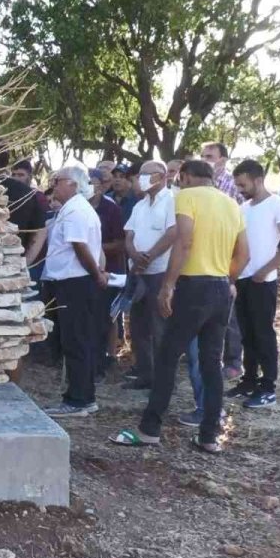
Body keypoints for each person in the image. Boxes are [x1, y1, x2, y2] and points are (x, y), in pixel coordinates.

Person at [110, 160, 248, 453]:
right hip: (221, 286)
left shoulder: (185, 197)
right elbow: (244, 254)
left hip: (192, 285)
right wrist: (227, 279)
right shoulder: (232, 204)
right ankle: (209, 435)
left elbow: (184, 244)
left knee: (167, 356)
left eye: (179, 178)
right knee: (212, 363)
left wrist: (169, 284)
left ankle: (150, 428)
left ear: (185, 177)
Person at [228, 160, 280, 409]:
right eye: (237, 185)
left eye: (243, 184)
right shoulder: (243, 208)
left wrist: (265, 270)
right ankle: (249, 381)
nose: (239, 189)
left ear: (258, 180)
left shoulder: (277, 204)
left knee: (263, 334)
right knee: (246, 334)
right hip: (242, 279)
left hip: (262, 281)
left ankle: (268, 387)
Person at [41, 162, 107, 418]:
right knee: (74, 341)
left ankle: (80, 399)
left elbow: (81, 247)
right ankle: (79, 395)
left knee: (77, 342)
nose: (53, 185)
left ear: (72, 184)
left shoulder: (77, 210)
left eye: (57, 180)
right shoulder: (71, 209)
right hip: (68, 282)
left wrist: (96, 274)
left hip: (75, 283)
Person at [121, 160, 176, 392]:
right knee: (139, 326)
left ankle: (164, 380)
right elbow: (129, 234)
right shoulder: (140, 205)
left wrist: (150, 256)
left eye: (146, 174)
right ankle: (145, 374)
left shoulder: (172, 201)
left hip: (159, 272)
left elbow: (173, 233)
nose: (141, 179)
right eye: (140, 175)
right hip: (138, 273)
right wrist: (134, 255)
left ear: (161, 176)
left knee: (160, 327)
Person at [200, 141, 245, 381]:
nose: (206, 159)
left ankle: (233, 362)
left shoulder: (233, 187)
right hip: (203, 258)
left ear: (224, 160)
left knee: (229, 314)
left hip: (226, 258)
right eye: (203, 155)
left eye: (210, 156)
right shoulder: (197, 188)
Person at [88, 169, 126, 374]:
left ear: (103, 186)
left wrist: (94, 248)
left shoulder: (111, 209)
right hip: (85, 270)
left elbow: (120, 243)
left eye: (93, 182)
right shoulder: (79, 206)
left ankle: (107, 357)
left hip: (109, 271)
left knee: (107, 316)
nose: (90, 186)